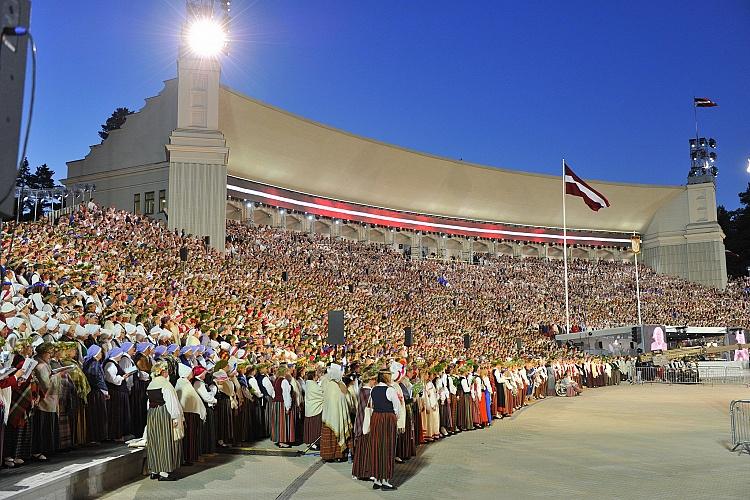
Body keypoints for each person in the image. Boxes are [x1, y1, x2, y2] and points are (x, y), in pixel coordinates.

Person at [146, 361, 184, 481]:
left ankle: (154, 470)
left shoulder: (151, 384)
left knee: (154, 441)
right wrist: (175, 417)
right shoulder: (166, 385)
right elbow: (171, 402)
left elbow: (148, 403)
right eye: (166, 370)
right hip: (163, 413)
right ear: (163, 372)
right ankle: (163, 472)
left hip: (152, 414)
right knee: (164, 441)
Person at [367, 367, 400, 491]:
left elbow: (371, 405)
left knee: (376, 447)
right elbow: (397, 408)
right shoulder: (390, 390)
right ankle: (385, 481)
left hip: (376, 418)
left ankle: (377, 480)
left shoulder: (373, 390)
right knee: (387, 447)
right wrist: (394, 419)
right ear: (386, 377)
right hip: (387, 419)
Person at [175, 363, 204, 465]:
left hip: (187, 413)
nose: (192, 373)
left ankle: (187, 458)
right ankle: (187, 458)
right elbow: (194, 399)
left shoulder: (182, 382)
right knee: (188, 438)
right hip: (188, 414)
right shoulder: (184, 383)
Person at [320, 363, 351, 462]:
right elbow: (346, 398)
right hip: (338, 415)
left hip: (328, 415)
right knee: (337, 433)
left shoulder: (327, 383)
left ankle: (328, 456)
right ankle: (338, 455)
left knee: (330, 434)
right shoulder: (337, 385)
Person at [270, 364, 295, 448]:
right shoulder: (283, 381)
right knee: (282, 422)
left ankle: (279, 439)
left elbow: (273, 393)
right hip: (281, 404)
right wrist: (288, 407)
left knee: (277, 422)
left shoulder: (276, 380)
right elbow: (286, 395)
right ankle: (282, 441)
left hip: (276, 404)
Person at [303, 366, 324, 450]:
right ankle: (313, 443)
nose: (317, 376)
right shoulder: (312, 385)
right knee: (314, 427)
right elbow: (320, 394)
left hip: (311, 407)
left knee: (311, 426)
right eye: (316, 375)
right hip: (315, 408)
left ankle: (312, 442)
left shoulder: (309, 384)